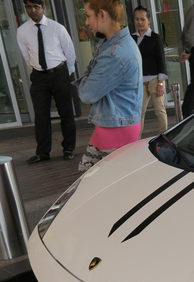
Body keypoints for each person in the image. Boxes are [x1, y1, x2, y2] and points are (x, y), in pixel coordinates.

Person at [75, 0, 142, 172]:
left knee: (109, 186)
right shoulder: (116, 45)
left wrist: (85, 78)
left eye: (89, 16)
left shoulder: (115, 53)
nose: (87, 22)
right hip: (113, 126)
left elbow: (86, 94)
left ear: (102, 15)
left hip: (116, 129)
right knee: (89, 178)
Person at [16, 0, 76, 164]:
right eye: (29, 7)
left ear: (43, 8)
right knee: (41, 116)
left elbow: (70, 52)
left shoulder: (57, 28)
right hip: (39, 77)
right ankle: (43, 152)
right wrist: (39, 69)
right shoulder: (22, 31)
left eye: (36, 7)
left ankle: (69, 148)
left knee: (66, 112)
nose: (33, 10)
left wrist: (66, 73)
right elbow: (27, 56)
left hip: (59, 74)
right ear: (26, 9)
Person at [132, 6, 168, 137]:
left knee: (160, 110)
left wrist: (161, 83)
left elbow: (161, 60)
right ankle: (136, 138)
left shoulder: (155, 37)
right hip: (139, 81)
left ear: (149, 20)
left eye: (142, 19)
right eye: (136, 19)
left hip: (154, 80)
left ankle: (163, 136)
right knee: (139, 112)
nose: (139, 22)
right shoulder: (132, 38)